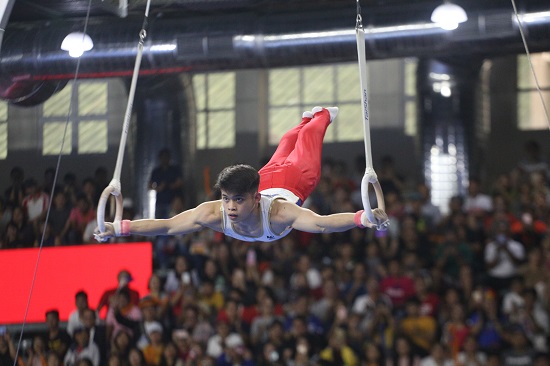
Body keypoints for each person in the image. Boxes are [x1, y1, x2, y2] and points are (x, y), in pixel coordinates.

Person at [95, 107, 388, 243]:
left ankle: (321, 114)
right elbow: (169, 226)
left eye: (237, 200)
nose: (230, 207)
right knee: (287, 141)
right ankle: (303, 119)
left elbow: (322, 225)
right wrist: (120, 228)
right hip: (267, 176)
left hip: (296, 180)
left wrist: (363, 218)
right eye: (226, 199)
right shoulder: (215, 212)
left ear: (254, 197)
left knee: (311, 134)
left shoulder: (278, 213)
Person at [149, 148, 184, 220]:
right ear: (160, 158)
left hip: (172, 201)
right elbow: (149, 185)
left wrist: (170, 185)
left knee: (172, 221)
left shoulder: (174, 169)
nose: (164, 159)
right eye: (163, 157)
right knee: (158, 223)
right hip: (160, 201)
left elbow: (180, 182)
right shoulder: (156, 171)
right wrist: (158, 188)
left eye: (166, 157)